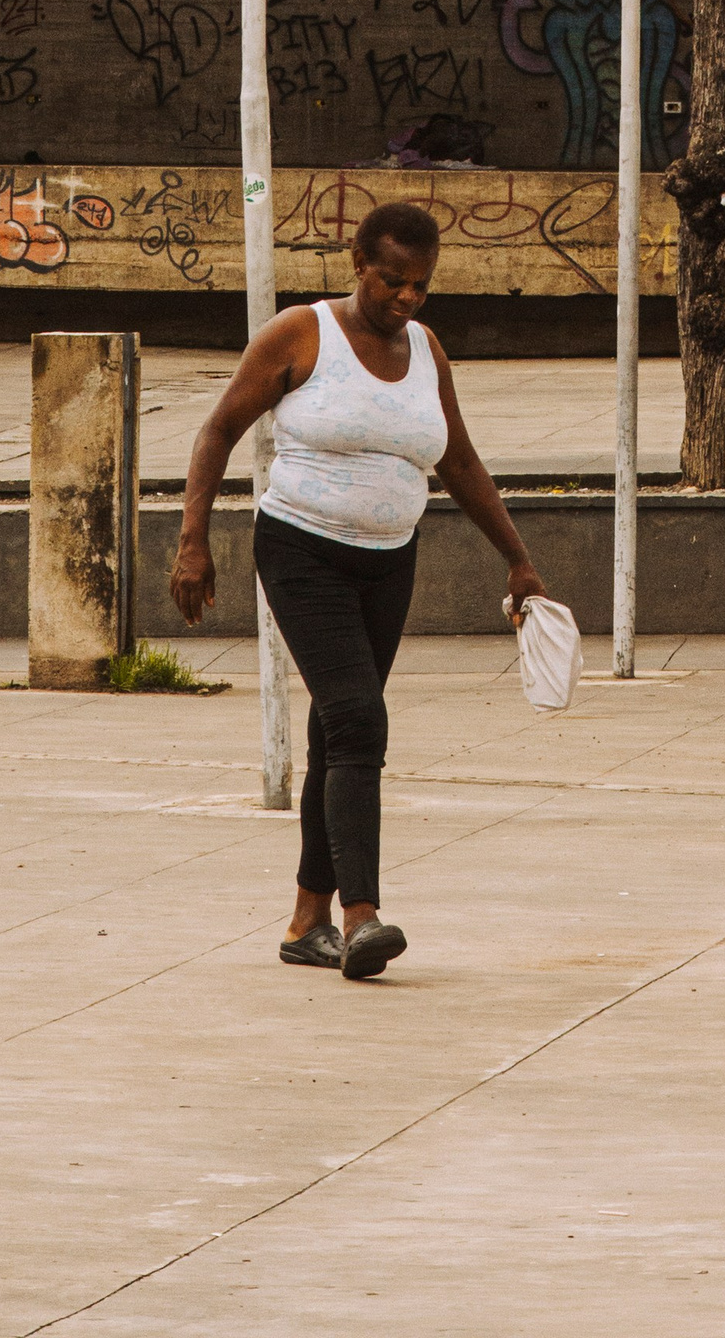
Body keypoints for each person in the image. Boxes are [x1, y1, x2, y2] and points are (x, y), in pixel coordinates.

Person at [170, 199, 545, 979]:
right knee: (356, 717)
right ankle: (361, 915)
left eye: (421, 287)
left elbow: (461, 462)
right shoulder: (302, 334)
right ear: (358, 264)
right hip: (301, 552)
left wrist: (517, 557)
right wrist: (192, 541)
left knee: (335, 737)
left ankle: (306, 922)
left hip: (388, 559)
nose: (406, 299)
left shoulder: (428, 350)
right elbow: (217, 430)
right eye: (392, 282)